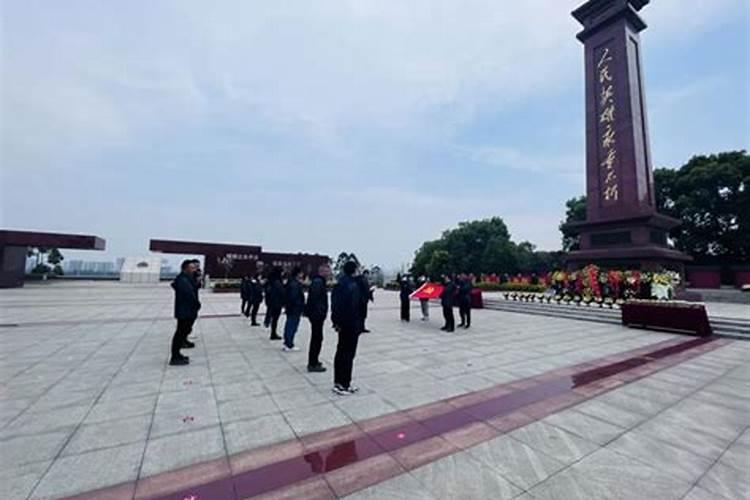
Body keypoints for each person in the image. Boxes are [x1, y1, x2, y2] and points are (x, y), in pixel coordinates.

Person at [331, 261, 362, 395]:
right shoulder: (352, 285)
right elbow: (355, 306)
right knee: (348, 354)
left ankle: (339, 382)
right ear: (354, 270)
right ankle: (344, 384)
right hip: (350, 324)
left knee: (341, 352)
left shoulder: (340, 283)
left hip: (343, 323)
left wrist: (336, 322)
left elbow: (335, 305)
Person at [170, 260, 201, 365]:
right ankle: (175, 356)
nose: (194, 270)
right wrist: (196, 304)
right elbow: (189, 295)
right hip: (184, 311)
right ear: (185, 268)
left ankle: (177, 354)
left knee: (183, 331)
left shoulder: (187, 278)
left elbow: (195, 288)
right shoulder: (182, 280)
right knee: (180, 333)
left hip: (187, 310)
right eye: (191, 268)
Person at [304, 264, 331, 372]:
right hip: (316, 315)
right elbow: (314, 300)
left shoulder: (318, 282)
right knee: (316, 339)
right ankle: (312, 363)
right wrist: (319, 313)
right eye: (328, 272)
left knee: (317, 338)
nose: (329, 274)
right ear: (322, 272)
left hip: (316, 314)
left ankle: (314, 360)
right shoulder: (318, 282)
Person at [282, 267, 305, 351]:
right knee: (292, 326)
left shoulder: (291, 282)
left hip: (291, 308)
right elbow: (294, 297)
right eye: (301, 273)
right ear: (298, 273)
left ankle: (287, 342)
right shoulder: (294, 284)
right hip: (294, 308)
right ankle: (289, 344)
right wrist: (300, 306)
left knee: (289, 325)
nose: (302, 275)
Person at [265, 268, 284, 340]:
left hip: (271, 302)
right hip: (276, 303)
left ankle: (273, 332)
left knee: (273, 319)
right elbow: (281, 292)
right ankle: (273, 333)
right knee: (275, 319)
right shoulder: (277, 282)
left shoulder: (271, 281)